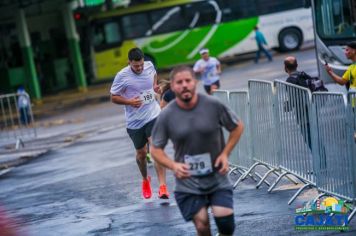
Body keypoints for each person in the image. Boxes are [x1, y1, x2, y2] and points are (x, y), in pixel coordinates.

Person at [150, 66, 244, 236]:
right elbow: (155, 150)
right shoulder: (166, 115)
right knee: (202, 226)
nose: (184, 85)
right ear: (172, 85)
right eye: (179, 82)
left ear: (195, 82)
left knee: (226, 225)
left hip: (216, 177)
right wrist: (173, 166)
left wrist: (225, 154)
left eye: (188, 81)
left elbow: (237, 127)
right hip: (188, 181)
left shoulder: (212, 105)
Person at [110, 47, 169, 199]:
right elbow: (113, 97)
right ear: (129, 63)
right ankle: (145, 180)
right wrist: (129, 101)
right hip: (135, 122)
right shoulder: (122, 76)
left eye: (141, 64)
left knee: (155, 149)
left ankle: (163, 186)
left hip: (153, 115)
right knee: (141, 155)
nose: (140, 68)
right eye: (136, 66)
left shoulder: (149, 66)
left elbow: (154, 75)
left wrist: (154, 86)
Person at [284, 56, 312, 151]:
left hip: (303, 116)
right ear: (297, 65)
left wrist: (286, 106)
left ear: (285, 68)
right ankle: (322, 162)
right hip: (313, 109)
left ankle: (320, 163)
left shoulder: (290, 80)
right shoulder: (303, 75)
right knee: (316, 138)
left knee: (310, 140)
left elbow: (293, 99)